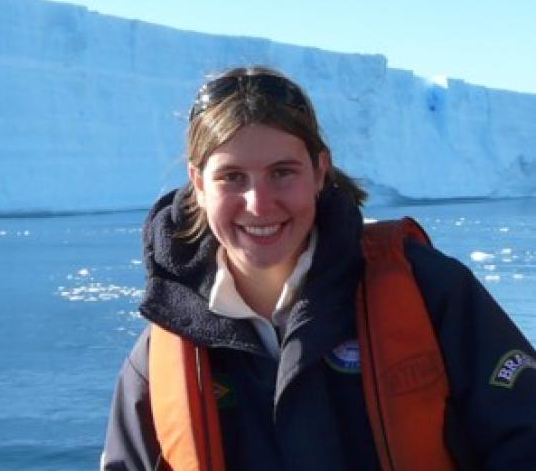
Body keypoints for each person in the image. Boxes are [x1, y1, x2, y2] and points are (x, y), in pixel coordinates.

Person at [102, 66, 536, 470]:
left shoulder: (428, 293)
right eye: (232, 177)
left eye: (282, 172)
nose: (258, 203)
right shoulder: (162, 352)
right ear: (197, 184)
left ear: (319, 170)